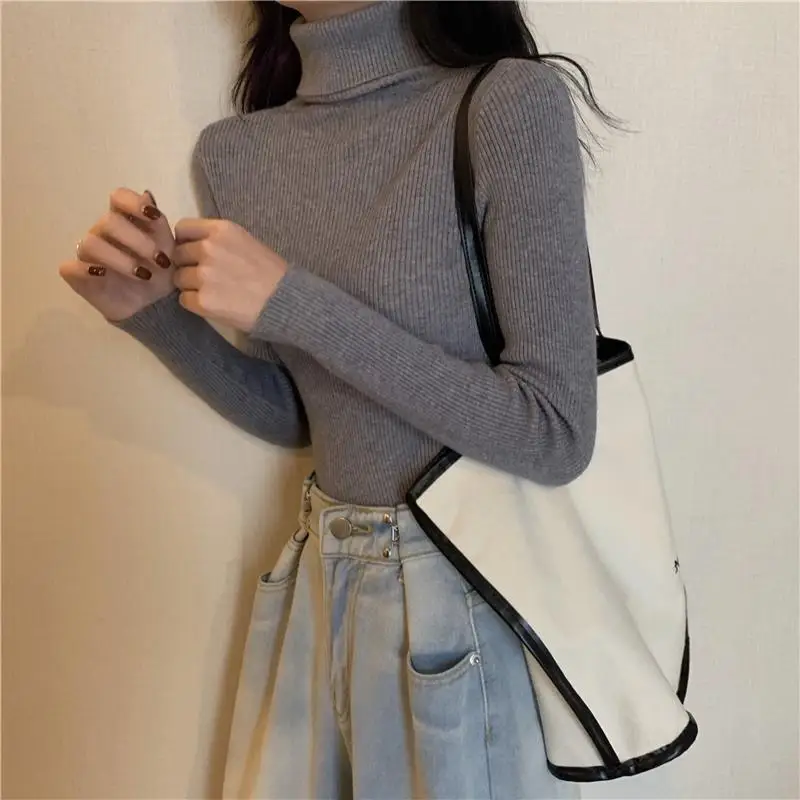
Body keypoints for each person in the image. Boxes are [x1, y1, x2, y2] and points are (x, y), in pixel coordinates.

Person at [59, 1, 624, 797]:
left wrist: (292, 301)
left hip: (463, 598)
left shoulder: (506, 104)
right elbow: (305, 416)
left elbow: (554, 431)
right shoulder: (237, 153)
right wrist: (154, 318)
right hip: (322, 582)